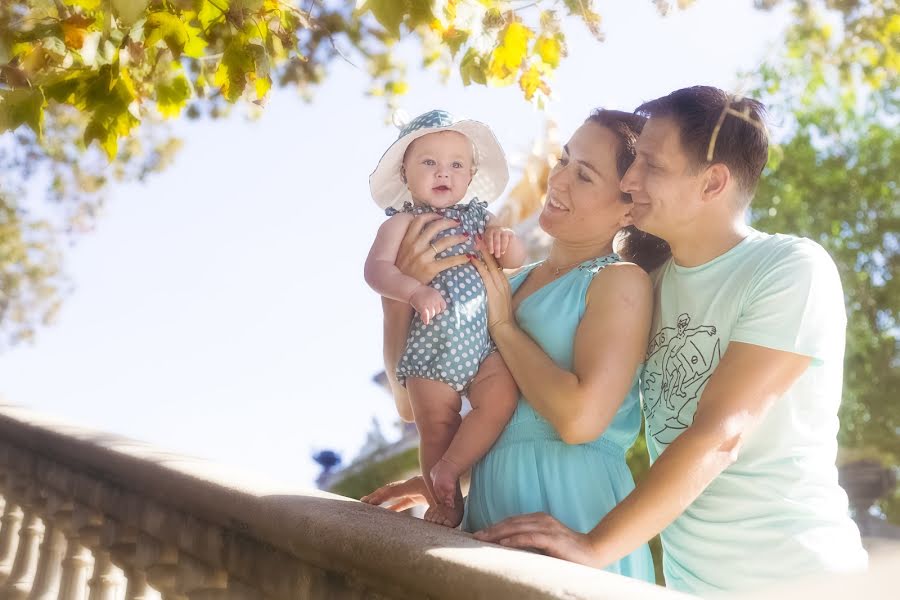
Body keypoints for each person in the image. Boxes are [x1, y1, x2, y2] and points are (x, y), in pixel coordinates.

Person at [470, 86, 868, 595]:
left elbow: (721, 434)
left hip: (801, 579)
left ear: (713, 183)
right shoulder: (648, 283)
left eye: (651, 166)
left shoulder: (789, 268)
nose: (631, 180)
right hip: (690, 586)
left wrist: (593, 547)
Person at [364, 109, 671, 583]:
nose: (559, 180)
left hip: (572, 511)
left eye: (584, 175)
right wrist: (396, 301)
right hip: (491, 516)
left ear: (629, 206)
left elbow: (577, 419)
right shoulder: (500, 277)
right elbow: (412, 403)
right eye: (564, 160)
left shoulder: (618, 281)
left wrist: (504, 327)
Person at [364, 109, 526, 528]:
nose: (443, 173)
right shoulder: (402, 222)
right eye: (429, 162)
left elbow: (516, 257)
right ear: (406, 172)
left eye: (456, 164)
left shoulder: (480, 219)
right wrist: (414, 290)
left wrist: (503, 242)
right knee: (435, 425)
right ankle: (445, 502)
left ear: (471, 176)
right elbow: (376, 271)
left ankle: (449, 469)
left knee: (501, 398)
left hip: (483, 342)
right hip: (431, 344)